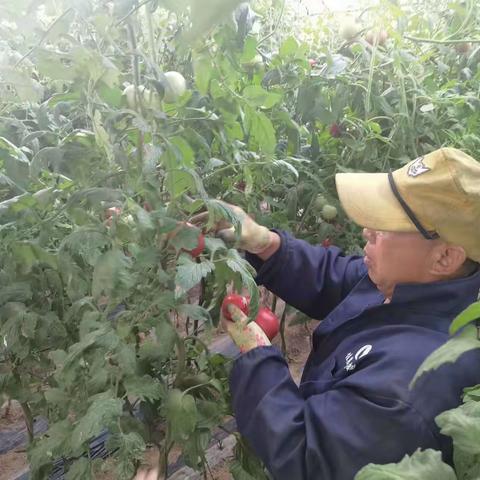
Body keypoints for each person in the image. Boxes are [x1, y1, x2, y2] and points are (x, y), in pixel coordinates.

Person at [136, 147, 480, 480]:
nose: (367, 230)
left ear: (445, 257)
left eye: (387, 224)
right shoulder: (416, 284)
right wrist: (263, 241)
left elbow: (306, 454)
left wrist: (257, 355)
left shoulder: (413, 386)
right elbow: (336, 276)